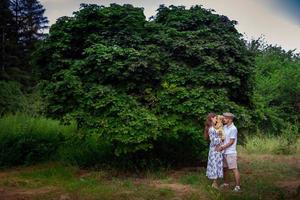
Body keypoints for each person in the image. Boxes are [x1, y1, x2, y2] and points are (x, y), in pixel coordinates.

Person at [217, 112, 241, 192]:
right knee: (225, 169)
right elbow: (222, 137)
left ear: (230, 119)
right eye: (223, 118)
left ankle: (238, 187)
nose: (223, 119)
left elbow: (231, 142)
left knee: (234, 169)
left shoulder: (233, 128)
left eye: (225, 118)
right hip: (224, 152)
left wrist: (222, 147)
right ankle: (226, 183)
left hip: (230, 152)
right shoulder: (224, 127)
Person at [205, 113, 223, 189]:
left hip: (215, 149)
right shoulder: (211, 129)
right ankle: (214, 184)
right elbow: (213, 140)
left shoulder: (213, 127)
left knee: (215, 165)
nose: (216, 119)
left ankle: (215, 183)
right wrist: (221, 138)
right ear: (211, 118)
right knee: (215, 165)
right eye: (215, 118)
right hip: (214, 150)